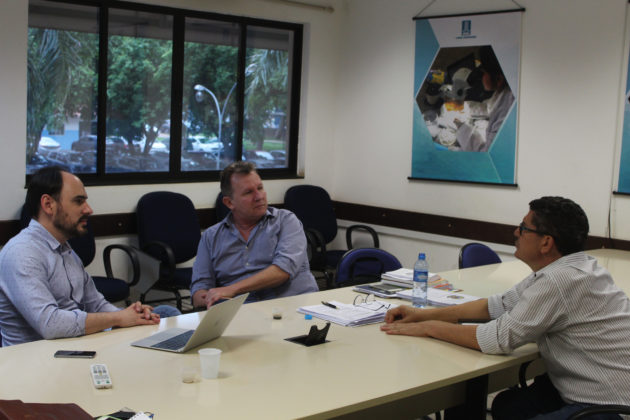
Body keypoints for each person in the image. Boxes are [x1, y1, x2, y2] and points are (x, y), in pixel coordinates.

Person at [381, 196, 630, 420]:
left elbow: (496, 338)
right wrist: (423, 314)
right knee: (509, 406)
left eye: (523, 228)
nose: (515, 232)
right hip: (589, 390)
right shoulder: (574, 268)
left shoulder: (558, 280)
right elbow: (497, 305)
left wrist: (429, 328)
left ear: (546, 243)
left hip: (609, 407)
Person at [0, 166, 179, 347]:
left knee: (166, 312)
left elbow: (97, 304)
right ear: (48, 205)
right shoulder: (22, 253)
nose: (89, 210)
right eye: (79, 202)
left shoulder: (66, 250)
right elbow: (50, 325)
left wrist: (134, 315)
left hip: (74, 346)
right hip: (38, 360)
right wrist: (118, 318)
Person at [191, 161, 318, 308]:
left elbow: (283, 270)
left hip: (292, 308)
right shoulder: (211, 237)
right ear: (229, 202)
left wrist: (231, 290)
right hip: (240, 314)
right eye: (248, 192)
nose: (259, 196)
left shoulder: (286, 221)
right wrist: (208, 297)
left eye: (260, 188)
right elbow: (200, 288)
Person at [455, 45, 515, 152]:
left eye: (484, 73)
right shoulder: (507, 89)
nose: (482, 77)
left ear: (499, 78)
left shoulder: (506, 114)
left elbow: (486, 154)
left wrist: (461, 128)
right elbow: (491, 106)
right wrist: (467, 107)